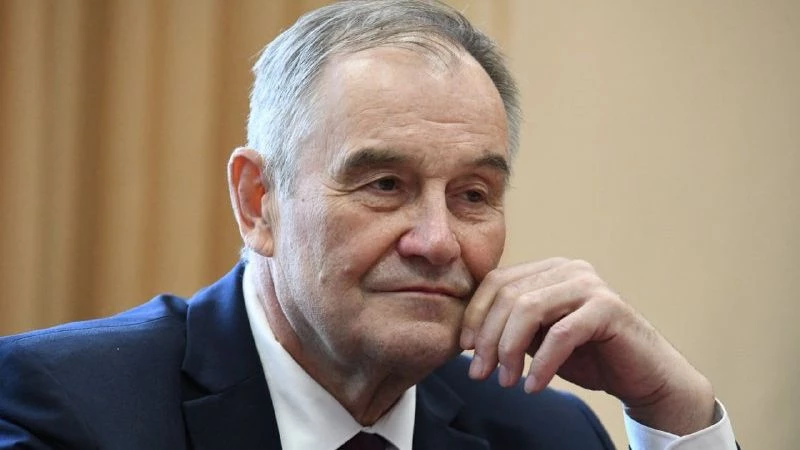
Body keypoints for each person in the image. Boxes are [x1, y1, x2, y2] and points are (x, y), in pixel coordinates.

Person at [0, 1, 738, 449]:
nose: (438, 241)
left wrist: (673, 413)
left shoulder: (544, 433)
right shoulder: (65, 408)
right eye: (385, 185)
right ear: (258, 202)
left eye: (473, 195)